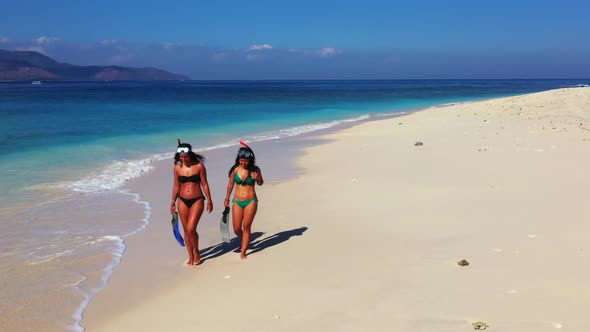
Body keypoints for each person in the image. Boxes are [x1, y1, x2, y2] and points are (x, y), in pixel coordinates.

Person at [170, 140, 213, 266]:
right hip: (182, 200)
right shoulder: (177, 168)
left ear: (190, 155)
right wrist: (172, 203)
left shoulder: (199, 166)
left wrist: (209, 200)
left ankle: (197, 252)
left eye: (185, 156)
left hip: (197, 199)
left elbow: (204, 184)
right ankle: (190, 256)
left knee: (191, 228)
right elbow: (176, 186)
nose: (183, 159)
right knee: (186, 230)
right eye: (181, 157)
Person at [224, 142, 264, 259]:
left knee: (246, 226)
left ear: (250, 160)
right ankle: (245, 240)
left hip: (251, 201)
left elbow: (261, 183)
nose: (243, 163)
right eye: (241, 160)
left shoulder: (255, 169)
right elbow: (231, 184)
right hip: (237, 201)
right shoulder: (235, 169)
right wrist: (226, 198)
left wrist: (257, 178)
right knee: (237, 228)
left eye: (245, 161)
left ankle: (244, 251)